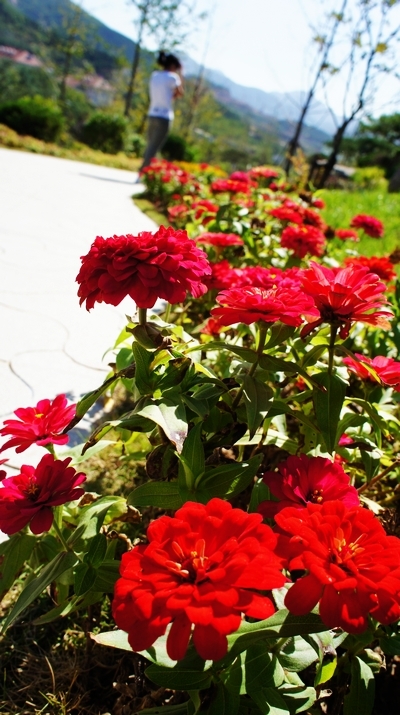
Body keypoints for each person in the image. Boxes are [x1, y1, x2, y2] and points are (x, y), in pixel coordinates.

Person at [139, 51, 184, 172]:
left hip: (152, 113)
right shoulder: (173, 77)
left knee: (150, 145)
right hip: (164, 116)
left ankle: (149, 169)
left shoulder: (155, 75)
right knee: (154, 147)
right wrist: (180, 74)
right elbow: (180, 93)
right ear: (174, 66)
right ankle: (143, 171)